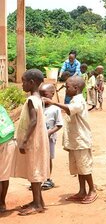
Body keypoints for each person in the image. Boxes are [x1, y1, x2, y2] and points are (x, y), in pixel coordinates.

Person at [43, 76, 97, 204]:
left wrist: (53, 102)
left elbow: (69, 109)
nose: (65, 89)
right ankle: (82, 190)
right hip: (75, 140)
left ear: (76, 88)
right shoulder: (74, 99)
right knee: (79, 167)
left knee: (84, 167)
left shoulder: (79, 100)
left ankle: (92, 190)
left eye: (67, 87)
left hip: (81, 140)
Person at [14, 69, 50, 215]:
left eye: (23, 82)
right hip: (38, 140)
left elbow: (33, 121)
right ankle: (38, 200)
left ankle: (37, 204)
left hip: (33, 141)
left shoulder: (31, 100)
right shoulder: (38, 98)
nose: (21, 85)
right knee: (34, 170)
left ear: (32, 82)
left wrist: (24, 141)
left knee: (34, 171)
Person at [39, 83, 63, 190]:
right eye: (40, 95)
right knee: (38, 158)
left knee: (48, 158)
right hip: (38, 138)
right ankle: (38, 179)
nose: (42, 97)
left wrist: (49, 132)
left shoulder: (55, 109)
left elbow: (59, 124)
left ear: (52, 94)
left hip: (49, 139)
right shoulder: (38, 107)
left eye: (44, 94)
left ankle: (48, 179)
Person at [0, 105, 17, 213]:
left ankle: (1, 202)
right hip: (8, 140)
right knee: (3, 175)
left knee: (2, 176)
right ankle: (2, 203)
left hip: (4, 142)